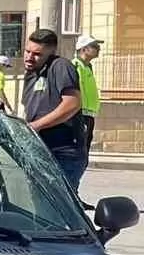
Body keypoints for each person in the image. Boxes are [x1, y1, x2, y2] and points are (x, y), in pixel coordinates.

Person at [21, 28, 86, 191]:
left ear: (51, 52)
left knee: (58, 210)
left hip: (62, 153)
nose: (29, 57)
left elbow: (72, 103)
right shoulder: (31, 73)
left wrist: (36, 125)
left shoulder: (60, 66)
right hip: (38, 149)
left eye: (37, 54)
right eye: (27, 51)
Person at [74, 34, 103, 179]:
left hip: (89, 114)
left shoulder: (88, 67)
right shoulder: (76, 65)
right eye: (95, 47)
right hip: (80, 114)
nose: (99, 49)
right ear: (84, 49)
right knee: (80, 154)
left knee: (85, 153)